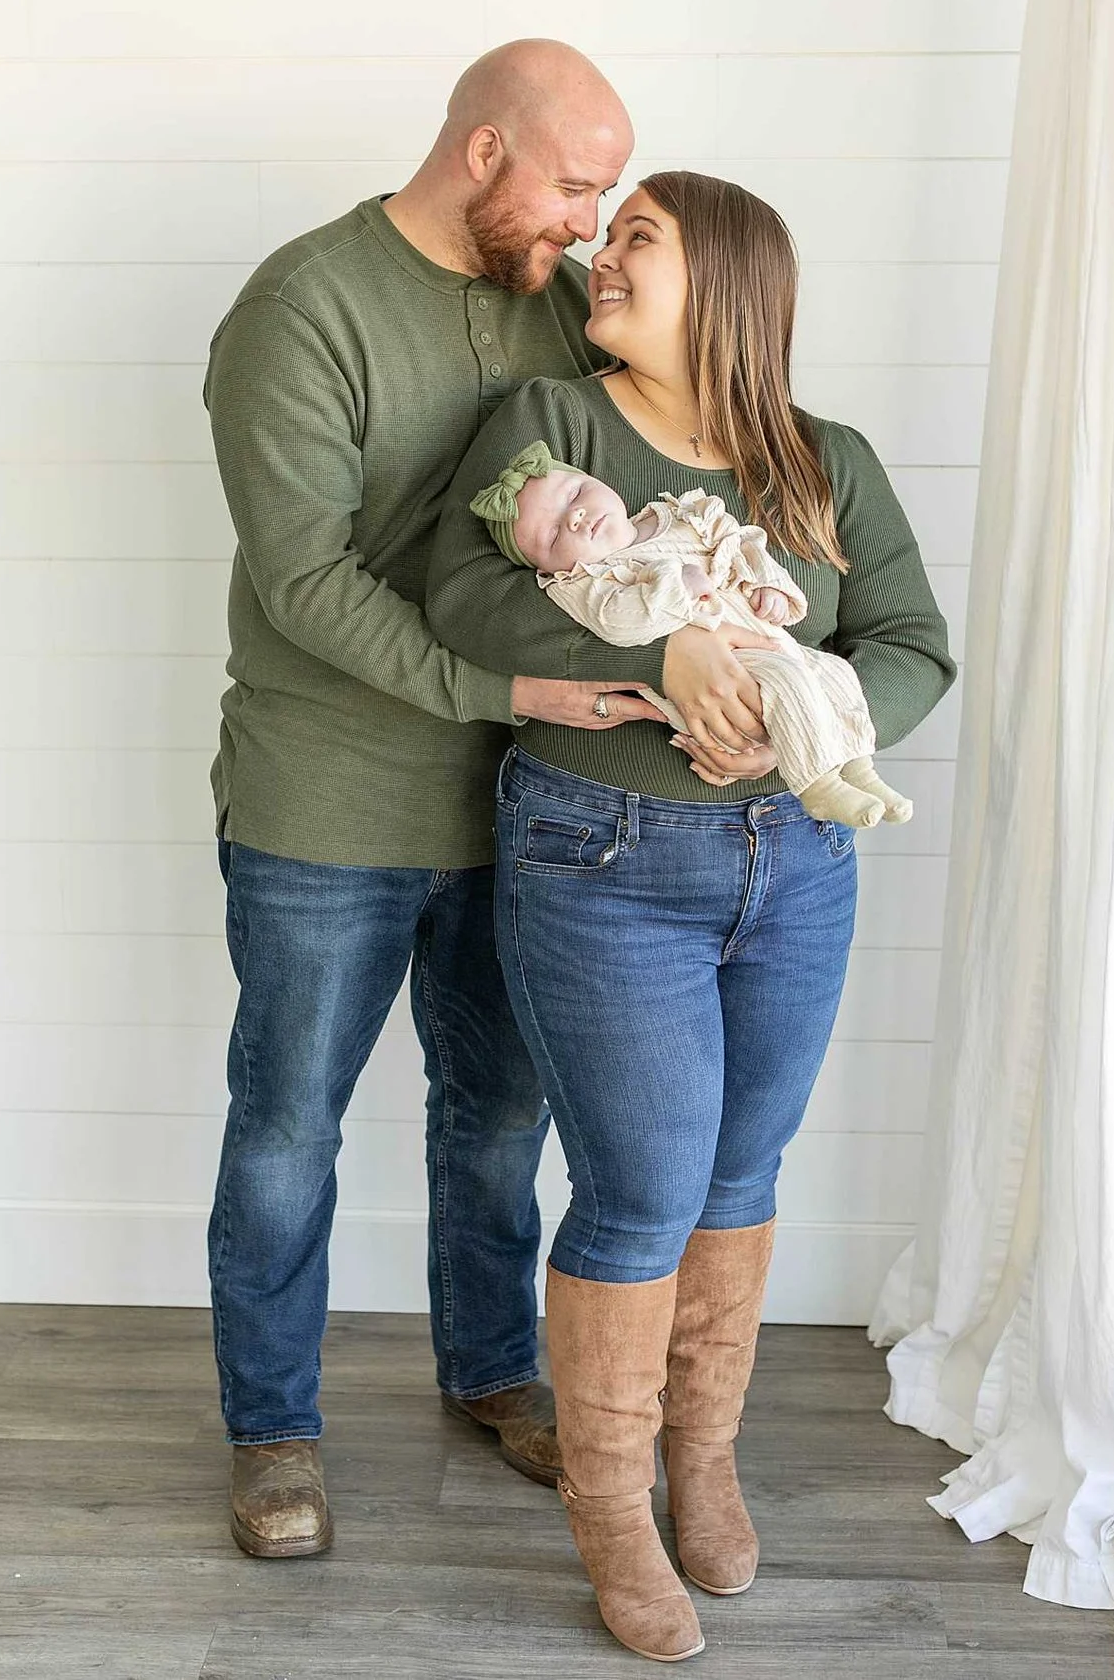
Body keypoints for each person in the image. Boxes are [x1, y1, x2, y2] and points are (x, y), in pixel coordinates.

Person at [426, 170, 954, 1662]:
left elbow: (916, 644)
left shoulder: (824, 462)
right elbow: (460, 593)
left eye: (638, 237)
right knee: (642, 1188)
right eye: (609, 233)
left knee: (741, 1172)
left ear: (724, 277)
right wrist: (670, 647)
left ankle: (700, 1458)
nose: (600, 252)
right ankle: (611, 1508)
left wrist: (808, 712)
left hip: (799, 860)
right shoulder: (553, 426)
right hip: (601, 856)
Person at [204, 39, 673, 1560]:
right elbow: (305, 582)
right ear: (484, 152)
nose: (590, 225)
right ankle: (274, 1428)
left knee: (499, 1114)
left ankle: (489, 1370)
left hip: (520, 810)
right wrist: (514, 691)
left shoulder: (556, 303)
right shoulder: (302, 309)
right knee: (289, 1124)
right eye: (576, 184)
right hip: (321, 802)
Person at [470, 448, 912, 827]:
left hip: (769, 641)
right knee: (787, 682)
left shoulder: (677, 516)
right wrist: (676, 581)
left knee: (833, 671)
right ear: (552, 569)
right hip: (733, 677)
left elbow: (737, 542)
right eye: (552, 533)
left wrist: (765, 582)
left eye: (573, 495)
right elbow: (621, 625)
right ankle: (818, 785)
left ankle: (858, 767)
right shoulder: (590, 581)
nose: (576, 518)